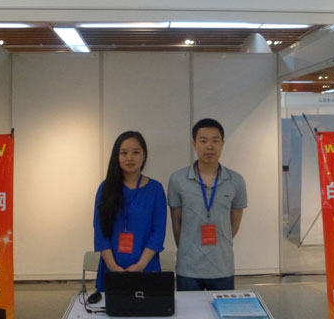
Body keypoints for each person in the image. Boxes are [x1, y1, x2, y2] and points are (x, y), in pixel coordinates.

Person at [168, 118, 247, 291]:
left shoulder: (236, 181)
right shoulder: (178, 179)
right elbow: (176, 224)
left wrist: (221, 241)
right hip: (188, 268)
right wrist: (189, 246)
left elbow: (234, 224)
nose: (209, 146)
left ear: (222, 144)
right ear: (194, 144)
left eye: (215, 141)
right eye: (203, 141)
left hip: (222, 267)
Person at [93, 131, 167, 292]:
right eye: (124, 153)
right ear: (116, 156)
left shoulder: (156, 189)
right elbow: (100, 232)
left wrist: (140, 266)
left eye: (135, 152)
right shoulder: (105, 188)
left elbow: (158, 233)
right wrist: (114, 268)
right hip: (111, 269)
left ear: (144, 155)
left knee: (148, 307)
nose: (129, 158)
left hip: (146, 268)